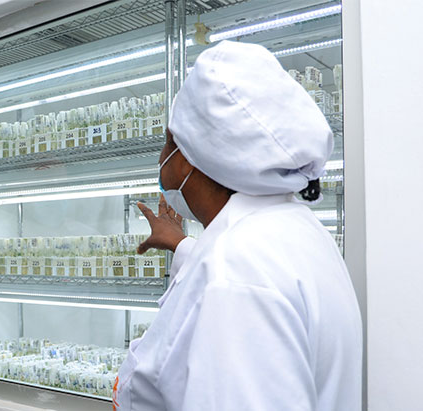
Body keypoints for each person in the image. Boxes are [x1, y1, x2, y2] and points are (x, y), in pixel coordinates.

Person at [112, 41, 362, 410]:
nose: (162, 158)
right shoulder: (290, 230)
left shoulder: (237, 270)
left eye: (169, 142)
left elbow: (238, 289)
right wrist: (181, 245)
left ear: (191, 159)